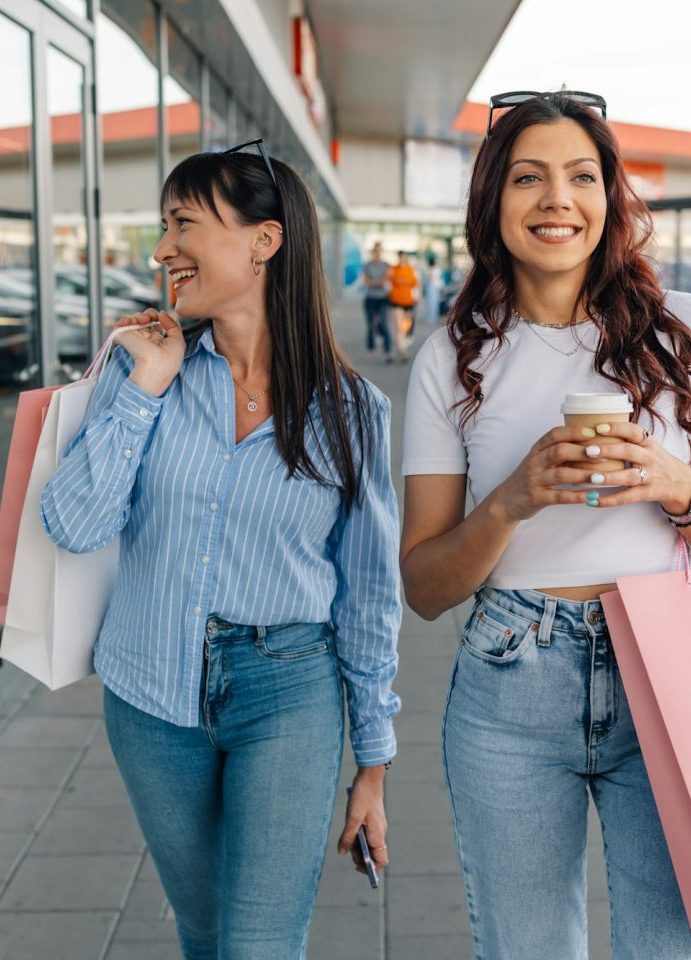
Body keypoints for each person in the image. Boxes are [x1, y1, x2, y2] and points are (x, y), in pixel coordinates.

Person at [41, 142, 401, 960]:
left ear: (263, 242)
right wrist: (144, 391)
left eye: (182, 224)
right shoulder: (146, 371)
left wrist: (373, 762)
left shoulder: (354, 412)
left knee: (259, 944)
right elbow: (75, 524)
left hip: (290, 692)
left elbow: (368, 595)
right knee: (206, 935)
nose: (163, 249)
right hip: (149, 693)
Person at [400, 91, 691, 959]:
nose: (556, 199)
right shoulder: (452, 356)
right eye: (528, 177)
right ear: (493, 200)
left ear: (610, 198)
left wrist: (677, 484)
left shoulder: (677, 334)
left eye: (581, 176)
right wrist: (511, 500)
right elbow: (422, 587)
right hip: (509, 676)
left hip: (664, 660)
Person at [361, 240, 392, 360]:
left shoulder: (386, 265)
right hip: (370, 299)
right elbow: (365, 281)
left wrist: (372, 281)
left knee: (384, 324)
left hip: (383, 299)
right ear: (373, 251)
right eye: (376, 251)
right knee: (370, 324)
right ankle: (371, 347)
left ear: (381, 251)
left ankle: (387, 350)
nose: (378, 253)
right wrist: (378, 282)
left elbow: (385, 281)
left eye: (379, 251)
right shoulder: (367, 265)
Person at [388, 250, 419, 361]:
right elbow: (387, 282)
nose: (402, 259)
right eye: (401, 257)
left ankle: (400, 347)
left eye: (404, 257)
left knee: (406, 327)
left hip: (409, 302)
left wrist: (419, 297)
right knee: (399, 327)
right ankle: (401, 349)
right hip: (396, 301)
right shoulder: (394, 269)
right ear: (399, 258)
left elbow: (416, 284)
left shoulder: (411, 269)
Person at [423, 253, 443, 324]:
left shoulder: (430, 269)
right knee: (435, 302)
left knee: (431, 302)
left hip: (431, 286)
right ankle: (434, 317)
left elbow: (429, 278)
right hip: (437, 286)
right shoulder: (438, 268)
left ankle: (431, 318)